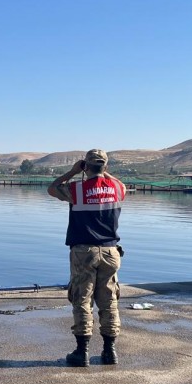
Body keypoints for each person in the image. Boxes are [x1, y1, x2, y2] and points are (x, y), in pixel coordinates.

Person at [47, 149, 127, 367]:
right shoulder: (117, 188)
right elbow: (122, 185)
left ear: (86, 166)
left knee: (82, 299)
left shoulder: (77, 189)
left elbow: (52, 189)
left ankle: (81, 352)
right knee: (109, 300)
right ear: (105, 166)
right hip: (111, 252)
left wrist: (72, 172)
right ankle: (110, 352)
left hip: (84, 252)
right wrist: (106, 175)